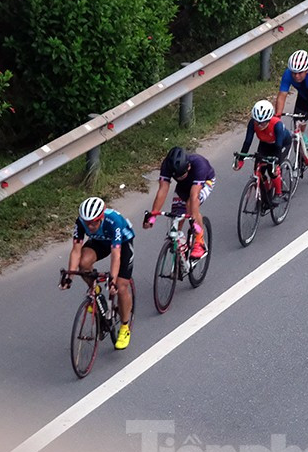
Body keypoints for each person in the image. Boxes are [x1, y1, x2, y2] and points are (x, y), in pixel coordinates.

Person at [64, 196, 135, 350]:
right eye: (87, 223)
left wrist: (113, 280)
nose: (90, 226)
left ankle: (124, 327)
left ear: (101, 217)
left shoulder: (113, 222)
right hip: (100, 241)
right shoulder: (81, 222)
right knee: (83, 263)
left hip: (122, 243)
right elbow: (76, 251)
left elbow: (116, 255)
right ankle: (96, 291)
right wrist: (69, 277)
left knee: (121, 287)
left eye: (94, 222)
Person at [143, 146, 215, 260]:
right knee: (176, 217)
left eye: (182, 175)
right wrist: (153, 215)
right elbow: (162, 190)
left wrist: (192, 218)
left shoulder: (199, 165)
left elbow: (194, 196)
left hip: (204, 182)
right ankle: (181, 245)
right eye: (177, 176)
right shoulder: (167, 165)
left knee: (190, 205)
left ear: (188, 166)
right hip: (184, 187)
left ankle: (199, 241)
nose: (179, 178)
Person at [234, 99, 292, 209]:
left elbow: (278, 148)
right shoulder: (252, 123)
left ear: (269, 119)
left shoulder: (277, 125)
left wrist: (276, 164)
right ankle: (266, 190)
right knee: (258, 169)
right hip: (265, 143)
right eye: (257, 122)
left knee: (272, 169)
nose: (260, 125)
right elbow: (247, 142)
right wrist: (241, 159)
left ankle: (279, 193)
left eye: (263, 122)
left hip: (281, 144)